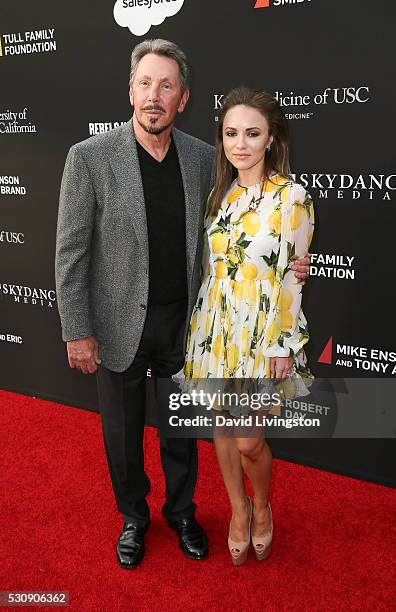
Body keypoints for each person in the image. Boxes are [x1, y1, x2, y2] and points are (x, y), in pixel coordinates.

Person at [55, 39, 311, 569]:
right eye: (146, 83)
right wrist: (76, 329)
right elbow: (71, 252)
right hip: (119, 322)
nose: (155, 95)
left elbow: (250, 231)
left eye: (166, 86)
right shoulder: (89, 158)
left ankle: (182, 513)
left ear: (183, 98)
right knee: (122, 437)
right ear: (130, 90)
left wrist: (292, 263)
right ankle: (133, 519)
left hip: (189, 328)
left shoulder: (202, 158)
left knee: (181, 430)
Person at [177, 86, 314, 565]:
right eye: (231, 133)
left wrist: (283, 346)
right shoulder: (220, 193)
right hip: (215, 327)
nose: (240, 144)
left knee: (249, 439)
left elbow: (293, 280)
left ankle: (262, 505)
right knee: (221, 424)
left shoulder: (292, 197)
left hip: (262, 335)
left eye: (252, 133)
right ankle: (237, 511)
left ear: (272, 138)